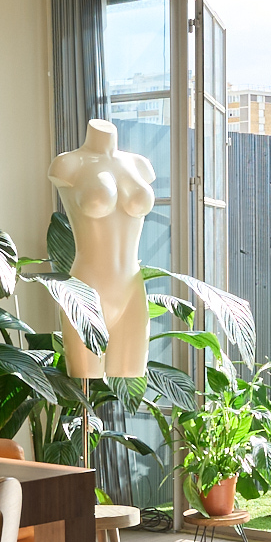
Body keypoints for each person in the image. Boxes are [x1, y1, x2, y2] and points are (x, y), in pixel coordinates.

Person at [46, 119, 154, 380]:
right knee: (85, 379)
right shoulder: (67, 164)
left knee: (130, 372)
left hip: (131, 290)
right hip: (86, 290)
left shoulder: (140, 165)